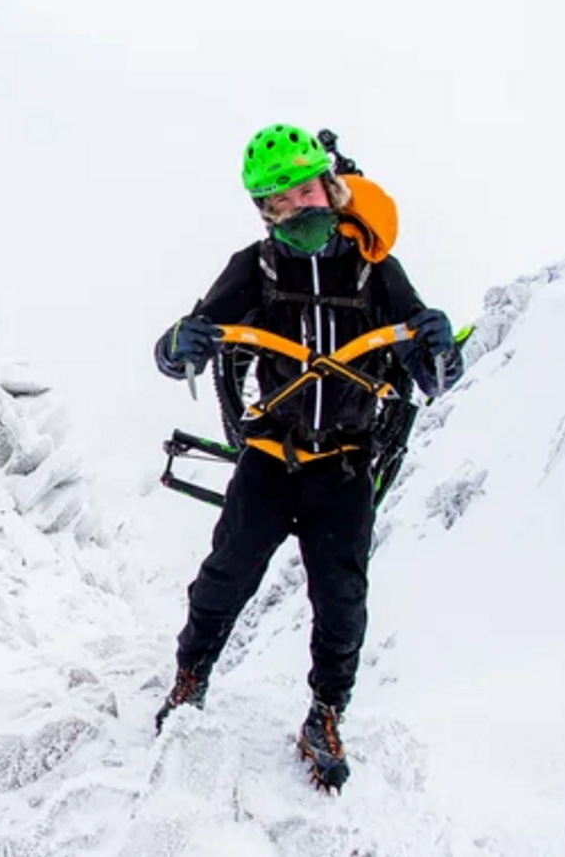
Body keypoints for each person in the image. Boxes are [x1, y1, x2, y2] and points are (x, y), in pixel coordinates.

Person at [151, 123, 462, 790]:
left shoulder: (375, 268)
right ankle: (191, 677)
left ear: (330, 184)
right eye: (279, 202)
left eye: (303, 191)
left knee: (342, 601)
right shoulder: (255, 267)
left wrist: (437, 347)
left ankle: (324, 714)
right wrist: (180, 345)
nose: (297, 209)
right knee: (225, 576)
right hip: (271, 457)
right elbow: (186, 341)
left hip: (345, 465)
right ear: (264, 211)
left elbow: (431, 374)